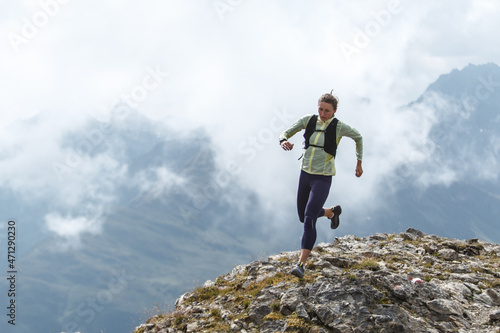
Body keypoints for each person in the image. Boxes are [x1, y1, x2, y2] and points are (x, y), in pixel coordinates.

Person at [279, 91, 363, 278]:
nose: (323, 113)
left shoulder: (339, 127)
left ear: (334, 111)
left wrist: (358, 162)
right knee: (303, 216)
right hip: (305, 174)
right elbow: (285, 132)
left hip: (323, 178)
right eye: (320, 109)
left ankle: (301, 265)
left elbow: (358, 137)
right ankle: (330, 212)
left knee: (309, 218)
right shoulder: (308, 120)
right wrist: (284, 141)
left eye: (327, 110)